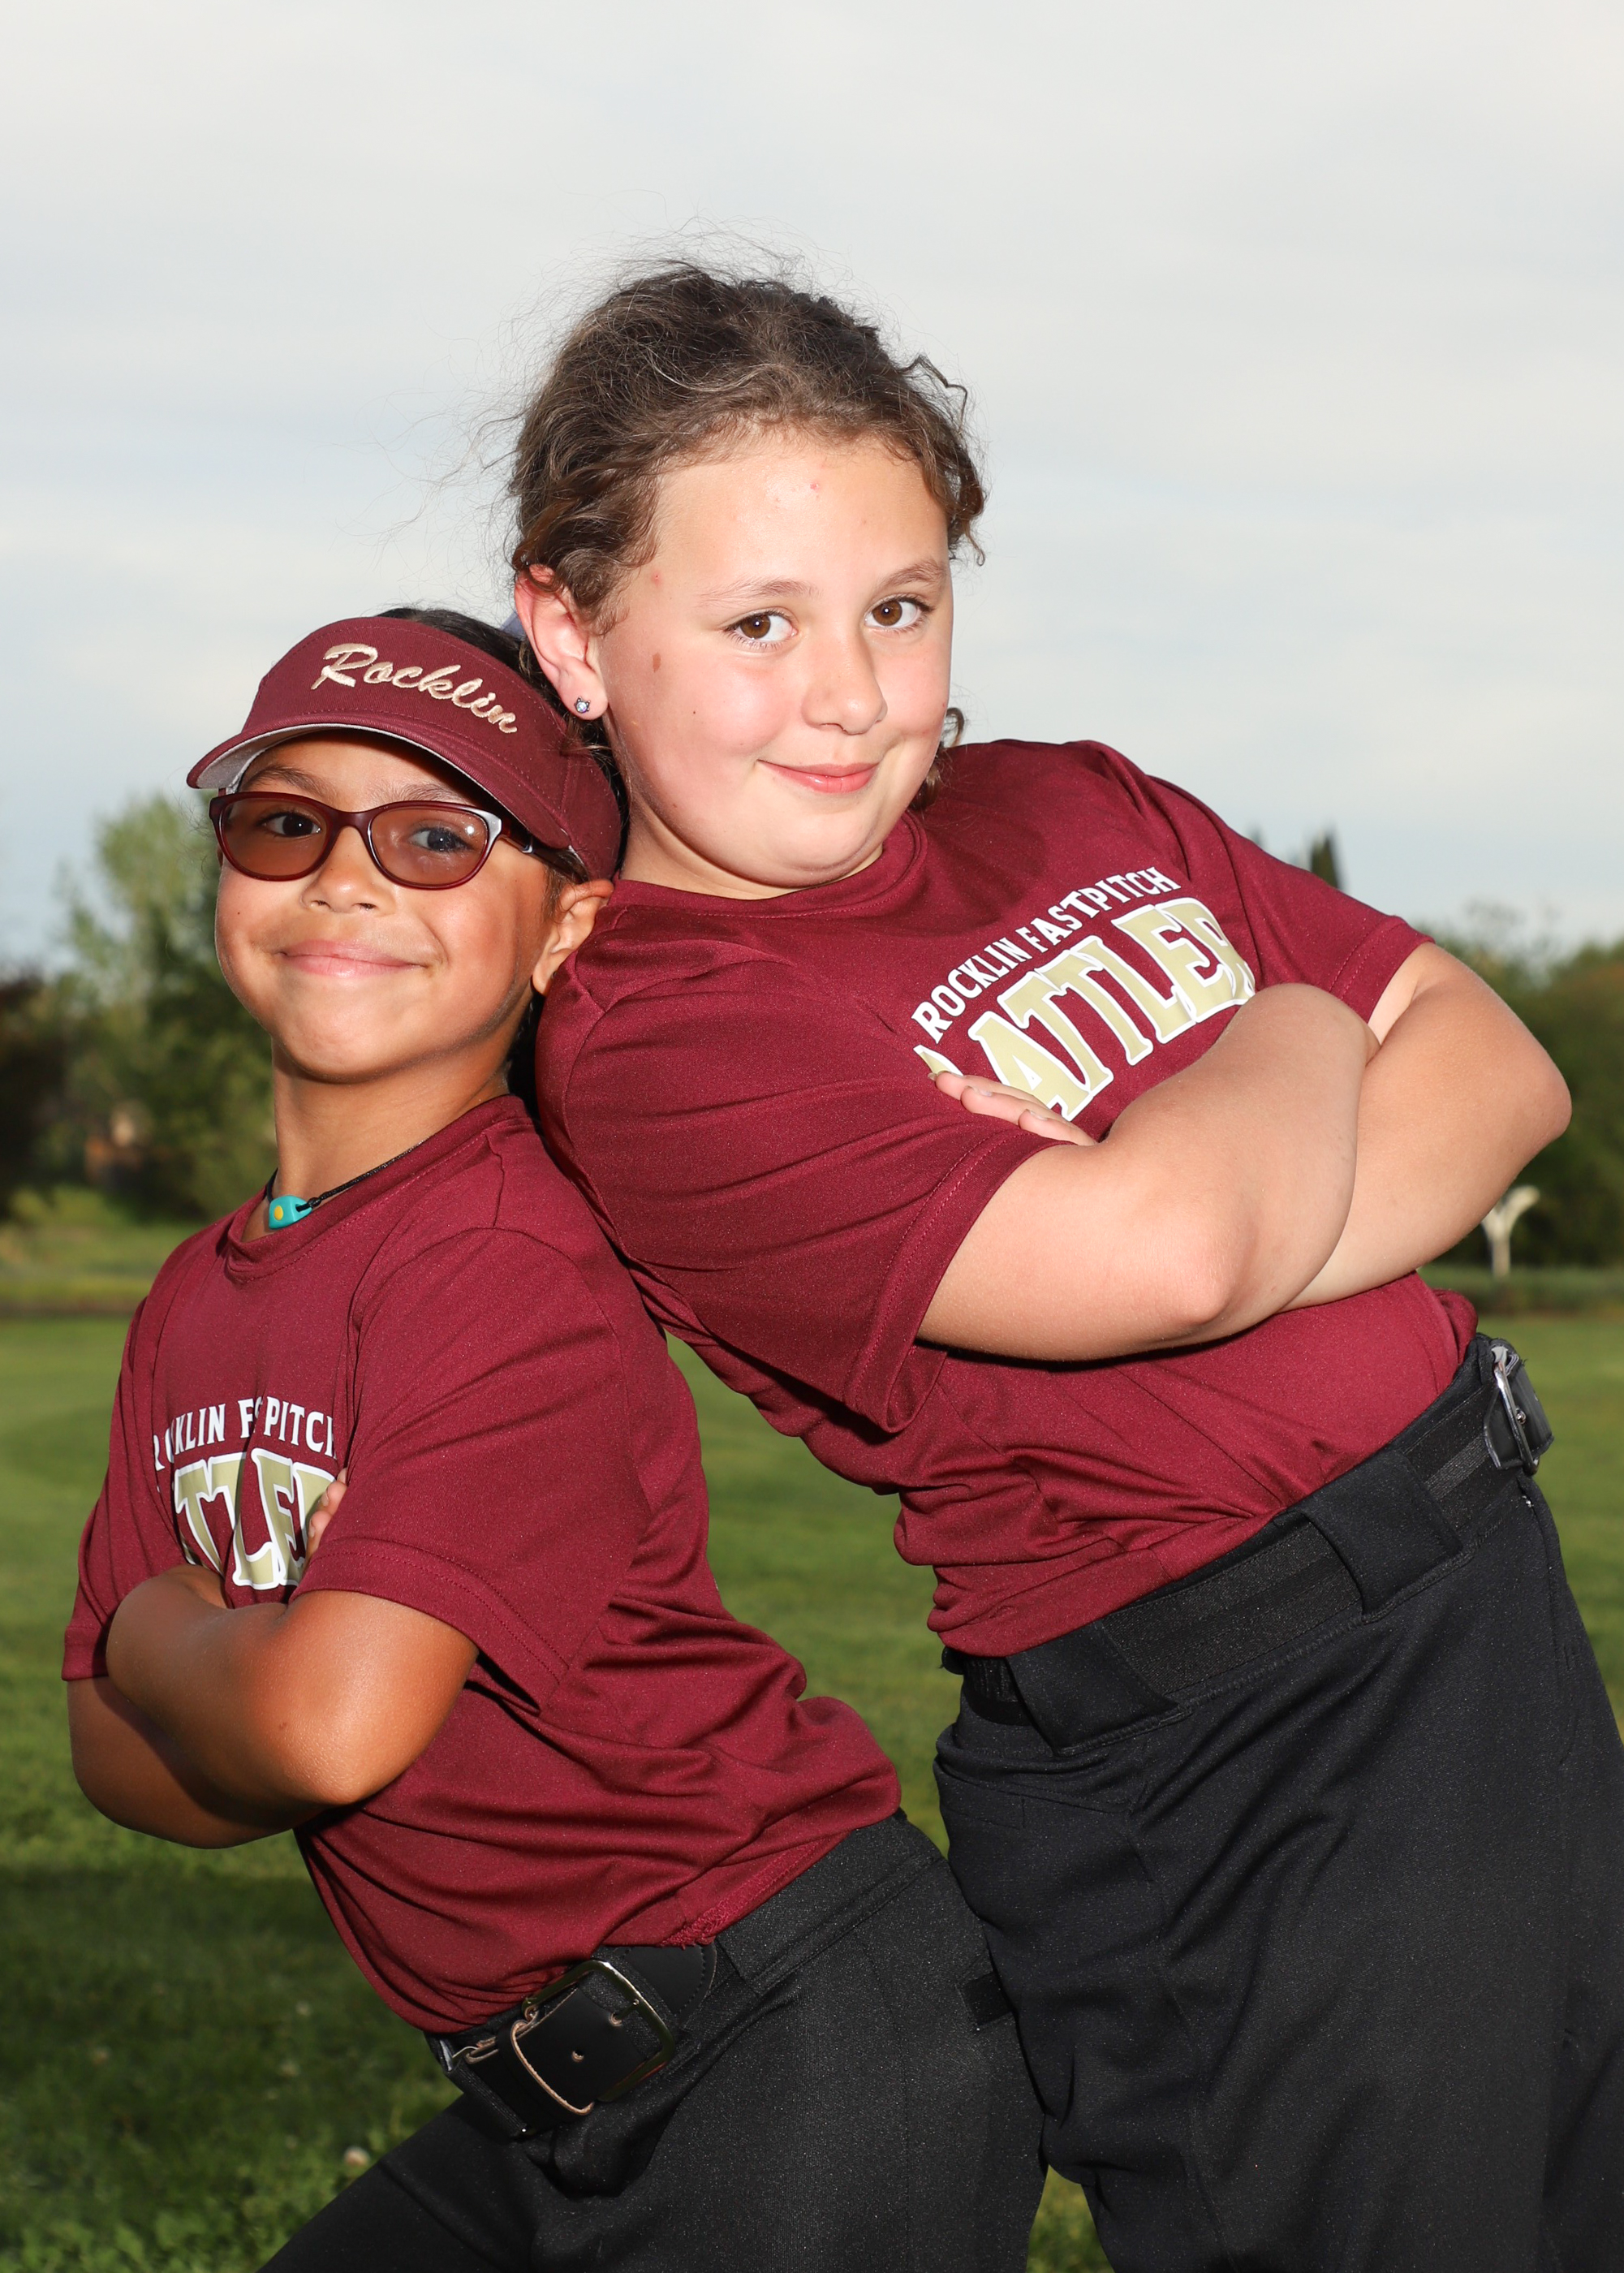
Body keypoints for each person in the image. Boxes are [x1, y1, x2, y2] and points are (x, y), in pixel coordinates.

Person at [510, 264, 1624, 2273]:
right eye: (757, 623)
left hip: (1484, 1597)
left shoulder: (1063, 797)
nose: (849, 692)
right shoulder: (661, 1028)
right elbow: (1181, 1245)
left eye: (899, 604)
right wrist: (1294, 1018)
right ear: (573, 632)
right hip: (1234, 1751)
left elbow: (1499, 1075)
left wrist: (1220, 1179)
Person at [62, 608, 1044, 2273]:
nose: (346, 881)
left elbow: (317, 1730)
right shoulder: (191, 1298)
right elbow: (115, 1762)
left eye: (437, 838)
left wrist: (171, 1634)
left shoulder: (501, 1257)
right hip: (555, 2100)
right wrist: (256, 1689)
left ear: (563, 922)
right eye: (286, 822)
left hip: (793, 2038)